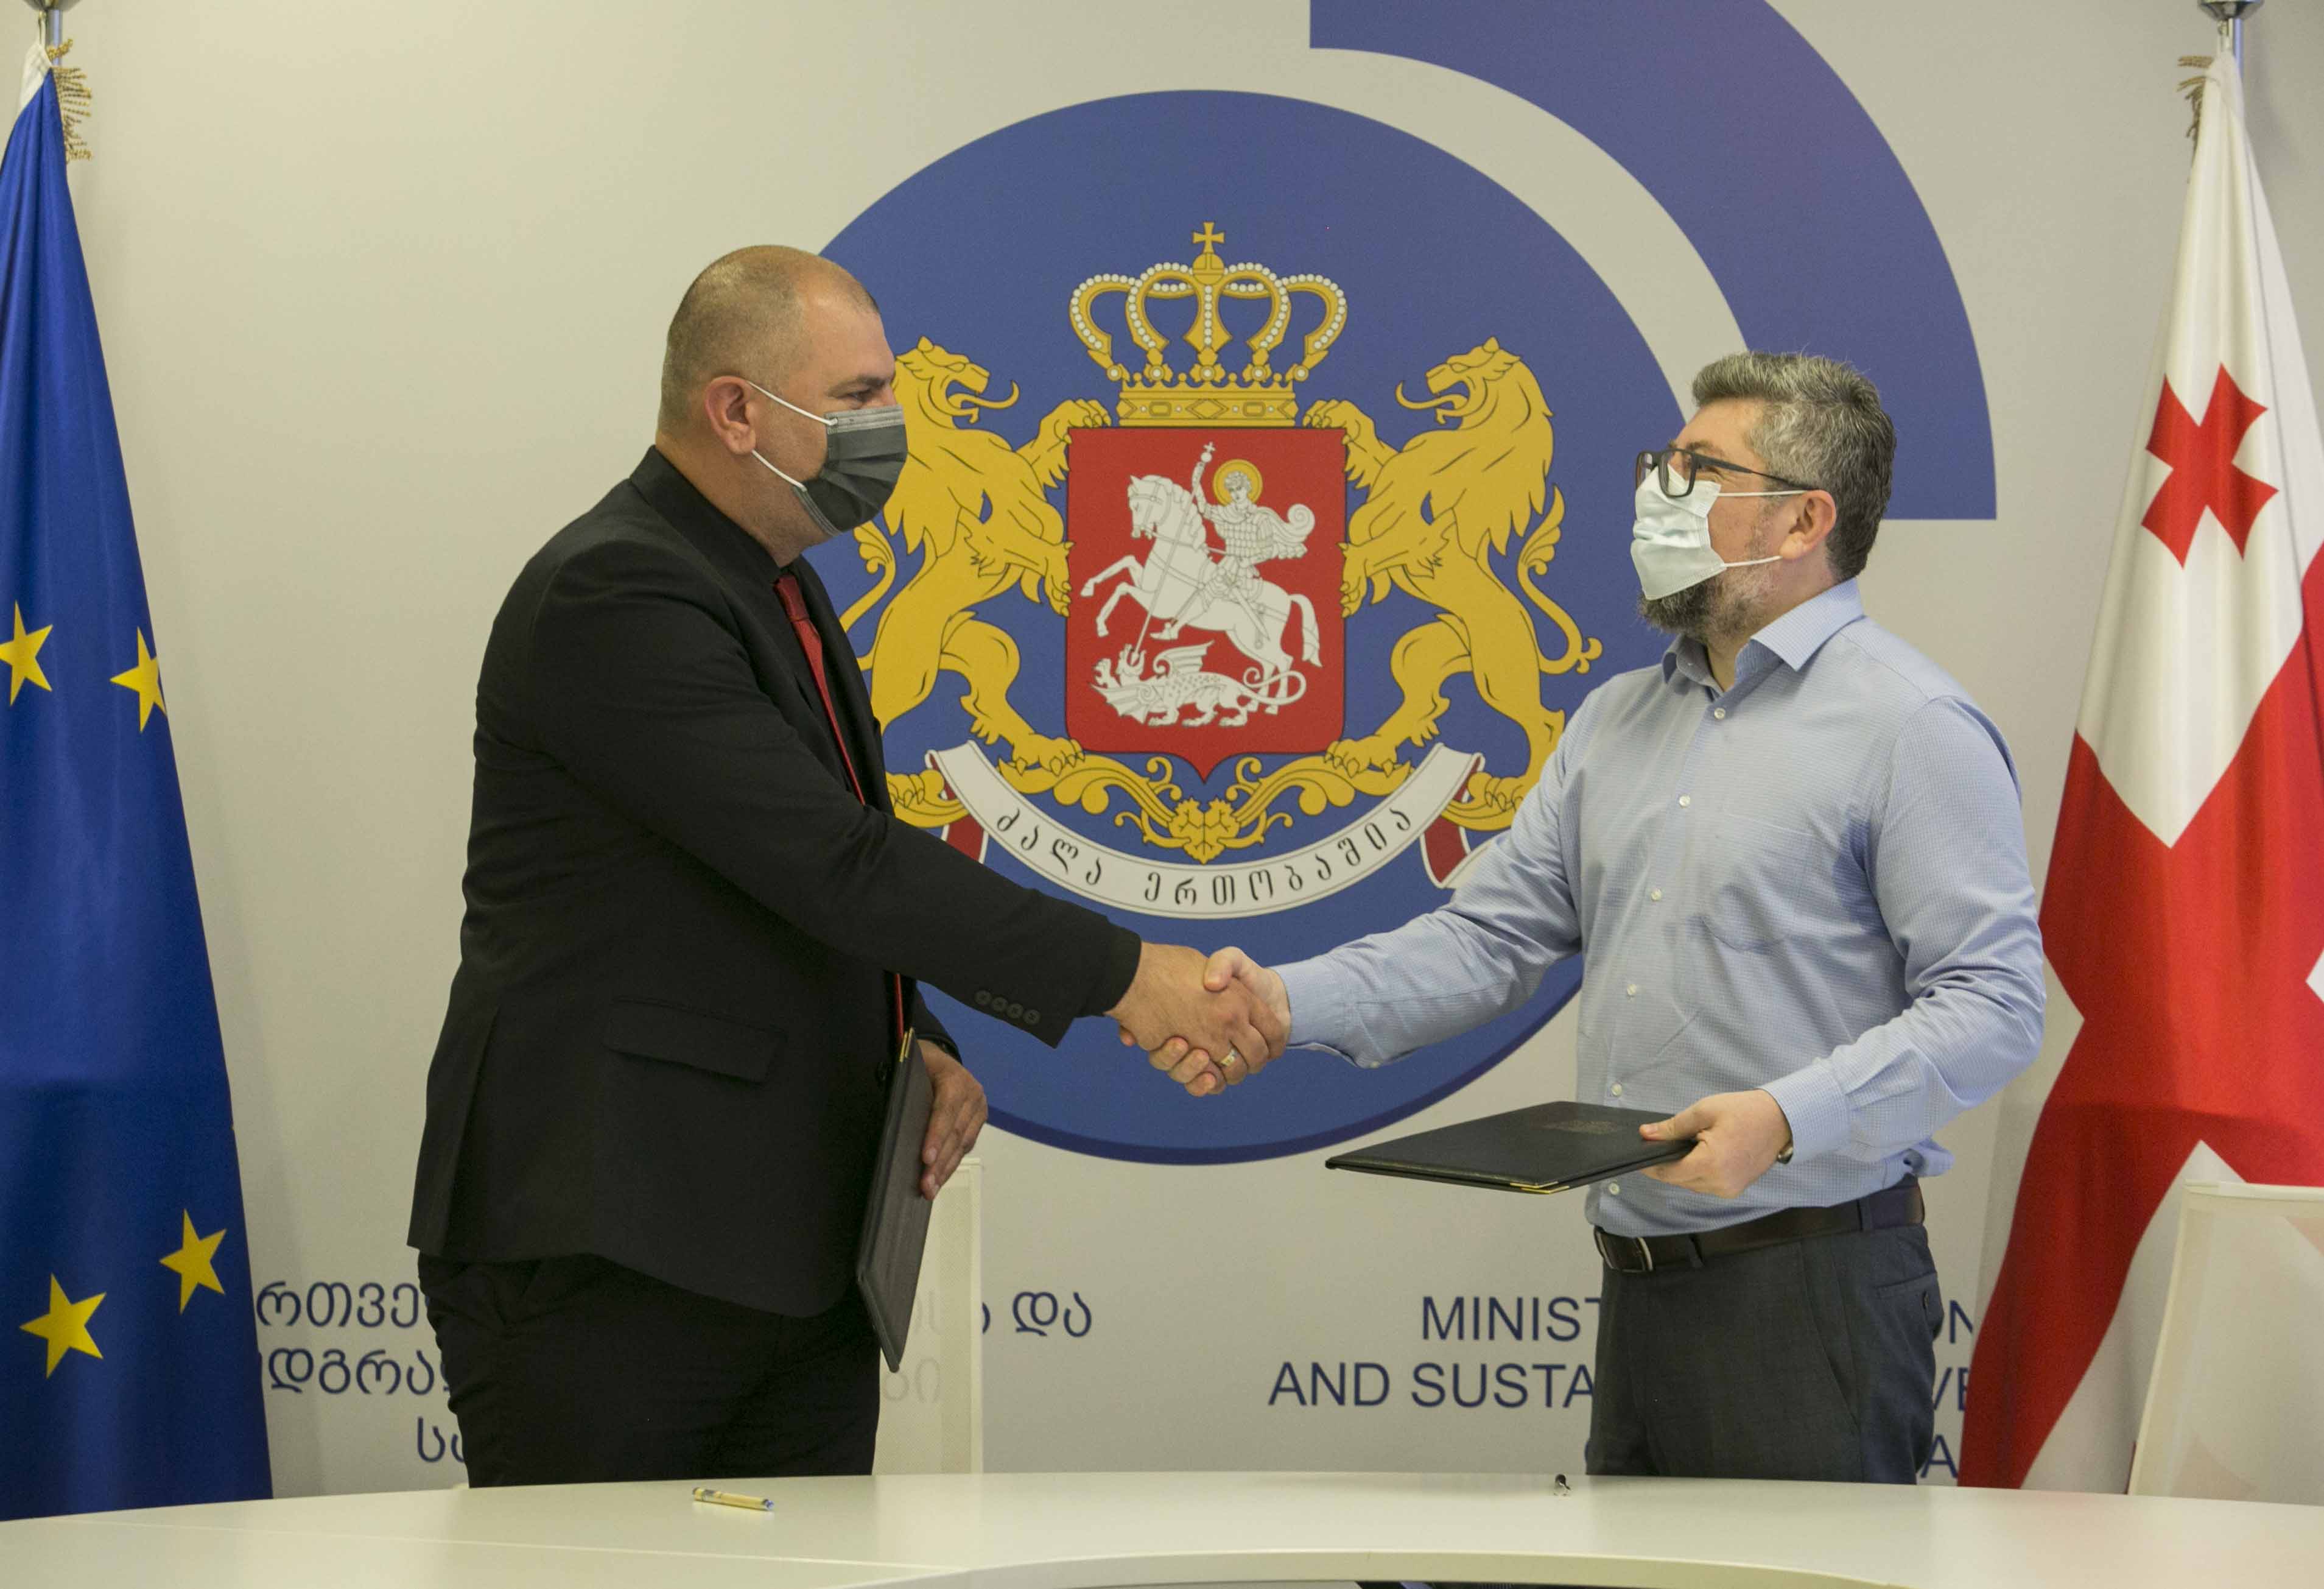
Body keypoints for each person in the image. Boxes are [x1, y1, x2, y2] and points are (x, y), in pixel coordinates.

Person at [406, 245, 1280, 1488]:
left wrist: (914, 1034)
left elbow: (763, 881)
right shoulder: (619, 589)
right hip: (617, 1250)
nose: (891, 426)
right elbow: (835, 862)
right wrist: (1125, 975)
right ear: (735, 410)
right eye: (859, 396)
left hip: (783, 1259)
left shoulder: (773, 585)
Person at [1172, 353, 2045, 1484]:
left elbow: (1994, 1004)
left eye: (1698, 470)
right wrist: (1283, 1001)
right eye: (1658, 464)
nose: (1655, 494)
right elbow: (1488, 940)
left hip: (1811, 1288)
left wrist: (1785, 1119)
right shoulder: (1613, 719)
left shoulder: (1910, 724)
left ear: (1802, 521)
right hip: (1638, 1285)